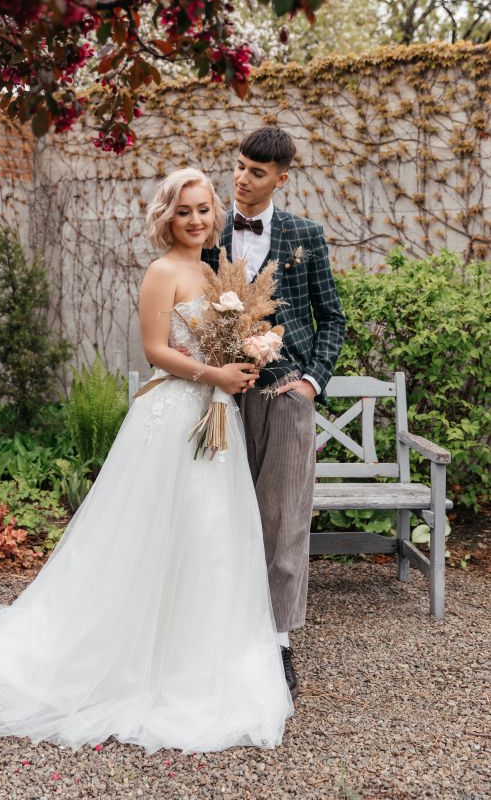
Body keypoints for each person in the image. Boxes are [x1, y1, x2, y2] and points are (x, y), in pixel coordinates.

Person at [0, 168, 293, 754]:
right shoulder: (161, 272)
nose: (196, 220)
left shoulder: (213, 270)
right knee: (154, 534)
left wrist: (242, 365)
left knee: (209, 535)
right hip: (172, 418)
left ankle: (201, 657)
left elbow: (219, 340)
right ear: (167, 218)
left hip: (214, 417)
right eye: (184, 211)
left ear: (215, 213)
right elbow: (155, 351)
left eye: (204, 209)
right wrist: (215, 372)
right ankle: (130, 661)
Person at [202, 127, 345, 701]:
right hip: (220, 398)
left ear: (281, 178)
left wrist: (311, 382)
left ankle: (279, 641)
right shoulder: (209, 232)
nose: (242, 179)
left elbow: (331, 317)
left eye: (257, 172)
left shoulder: (305, 235)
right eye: (239, 166)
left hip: (286, 395)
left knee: (283, 519)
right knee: (217, 512)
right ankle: (219, 630)